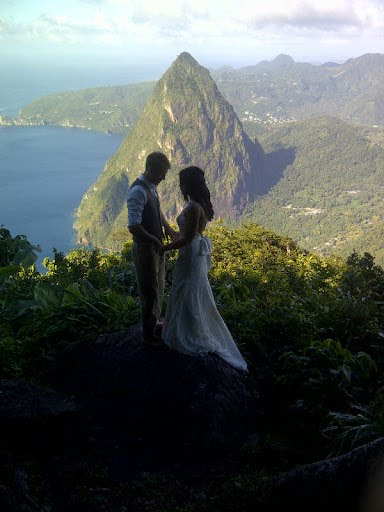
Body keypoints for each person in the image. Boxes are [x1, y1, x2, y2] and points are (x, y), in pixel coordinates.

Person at [159, 166, 248, 371]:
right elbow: (185, 236)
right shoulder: (200, 205)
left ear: (187, 184)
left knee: (187, 290)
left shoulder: (193, 208)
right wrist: (165, 223)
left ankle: (189, 332)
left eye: (181, 182)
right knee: (192, 290)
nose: (179, 185)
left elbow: (187, 239)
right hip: (194, 253)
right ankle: (189, 327)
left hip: (190, 254)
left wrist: (164, 248)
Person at [127, 152, 178, 347]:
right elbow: (133, 226)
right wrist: (154, 240)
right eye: (161, 173)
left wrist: (169, 229)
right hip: (145, 250)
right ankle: (148, 336)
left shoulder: (151, 188)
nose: (164, 178)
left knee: (159, 286)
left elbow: (157, 212)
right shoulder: (138, 192)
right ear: (149, 169)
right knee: (149, 292)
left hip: (155, 248)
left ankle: (155, 323)